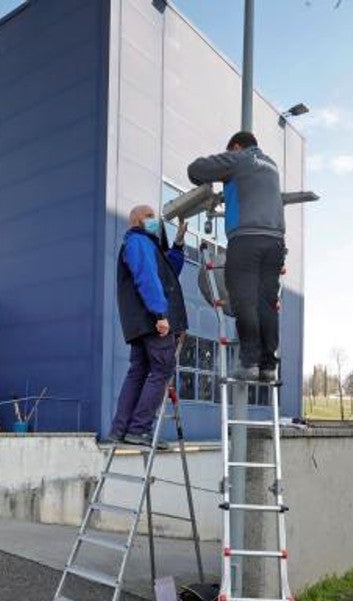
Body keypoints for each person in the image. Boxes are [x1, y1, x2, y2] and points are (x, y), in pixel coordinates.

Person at [188, 130, 285, 382]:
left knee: (244, 299)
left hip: (246, 238)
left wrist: (218, 173)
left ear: (237, 146)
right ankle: (268, 366)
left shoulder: (241, 159)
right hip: (274, 240)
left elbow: (197, 169)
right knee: (267, 303)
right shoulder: (271, 165)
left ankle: (249, 362)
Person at [108, 204, 187, 447]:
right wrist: (160, 314)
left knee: (139, 372)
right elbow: (148, 279)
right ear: (135, 221)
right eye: (149, 216)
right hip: (153, 321)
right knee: (162, 369)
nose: (154, 220)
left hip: (141, 323)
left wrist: (179, 244)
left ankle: (120, 430)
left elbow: (169, 272)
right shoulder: (138, 242)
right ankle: (139, 429)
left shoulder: (147, 244)